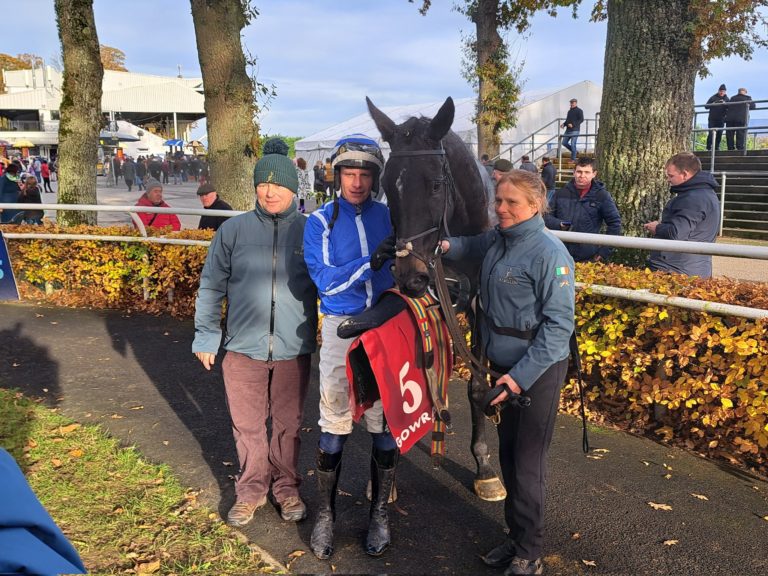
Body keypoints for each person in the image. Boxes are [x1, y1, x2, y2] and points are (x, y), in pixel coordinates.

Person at [440, 169, 575, 576]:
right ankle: (516, 537)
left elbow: (559, 328)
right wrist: (441, 244)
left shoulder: (550, 254)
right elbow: (468, 245)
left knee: (527, 463)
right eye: (498, 200)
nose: (500, 208)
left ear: (535, 205)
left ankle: (530, 552)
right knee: (507, 455)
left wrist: (516, 379)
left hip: (536, 372)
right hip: (499, 368)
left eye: (511, 202)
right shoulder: (498, 238)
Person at [193, 141, 318, 527]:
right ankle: (250, 491)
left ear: (293, 188)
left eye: (278, 185)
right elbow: (211, 285)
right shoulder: (233, 230)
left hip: (293, 348)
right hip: (242, 348)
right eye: (263, 184)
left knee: (287, 425)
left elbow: (332, 286)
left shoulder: (312, 232)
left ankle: (287, 488)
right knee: (247, 425)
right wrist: (206, 335)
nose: (269, 192)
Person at [303, 134, 398, 560]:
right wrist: (371, 263)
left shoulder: (391, 217)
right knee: (334, 424)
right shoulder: (319, 221)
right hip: (341, 329)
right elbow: (326, 283)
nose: (356, 183)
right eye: (349, 174)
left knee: (384, 426)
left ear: (375, 177)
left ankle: (379, 512)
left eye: (364, 174)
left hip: (385, 328)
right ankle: (326, 515)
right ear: (336, 175)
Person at [643, 152, 720, 277]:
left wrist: (657, 228)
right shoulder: (707, 194)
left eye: (671, 176)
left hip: (676, 269)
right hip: (693, 266)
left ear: (684, 174)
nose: (668, 180)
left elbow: (677, 233)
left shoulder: (692, 199)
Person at [544, 158, 622, 262]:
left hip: (588, 257)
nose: (582, 175)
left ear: (594, 174)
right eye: (579, 172)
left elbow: (614, 223)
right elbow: (545, 216)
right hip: (561, 254)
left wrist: (603, 252)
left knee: (581, 274)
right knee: (562, 273)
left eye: (587, 172)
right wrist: (560, 224)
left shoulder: (601, 196)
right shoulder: (560, 193)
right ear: (574, 172)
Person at [705, 84, 729, 153]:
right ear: (718, 91)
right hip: (712, 118)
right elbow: (706, 106)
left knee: (719, 134)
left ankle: (717, 147)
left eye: (723, 91)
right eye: (721, 91)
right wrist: (713, 104)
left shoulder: (727, 99)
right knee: (711, 133)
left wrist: (725, 104)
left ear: (725, 92)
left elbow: (730, 107)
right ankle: (708, 147)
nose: (722, 92)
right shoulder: (713, 97)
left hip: (721, 119)